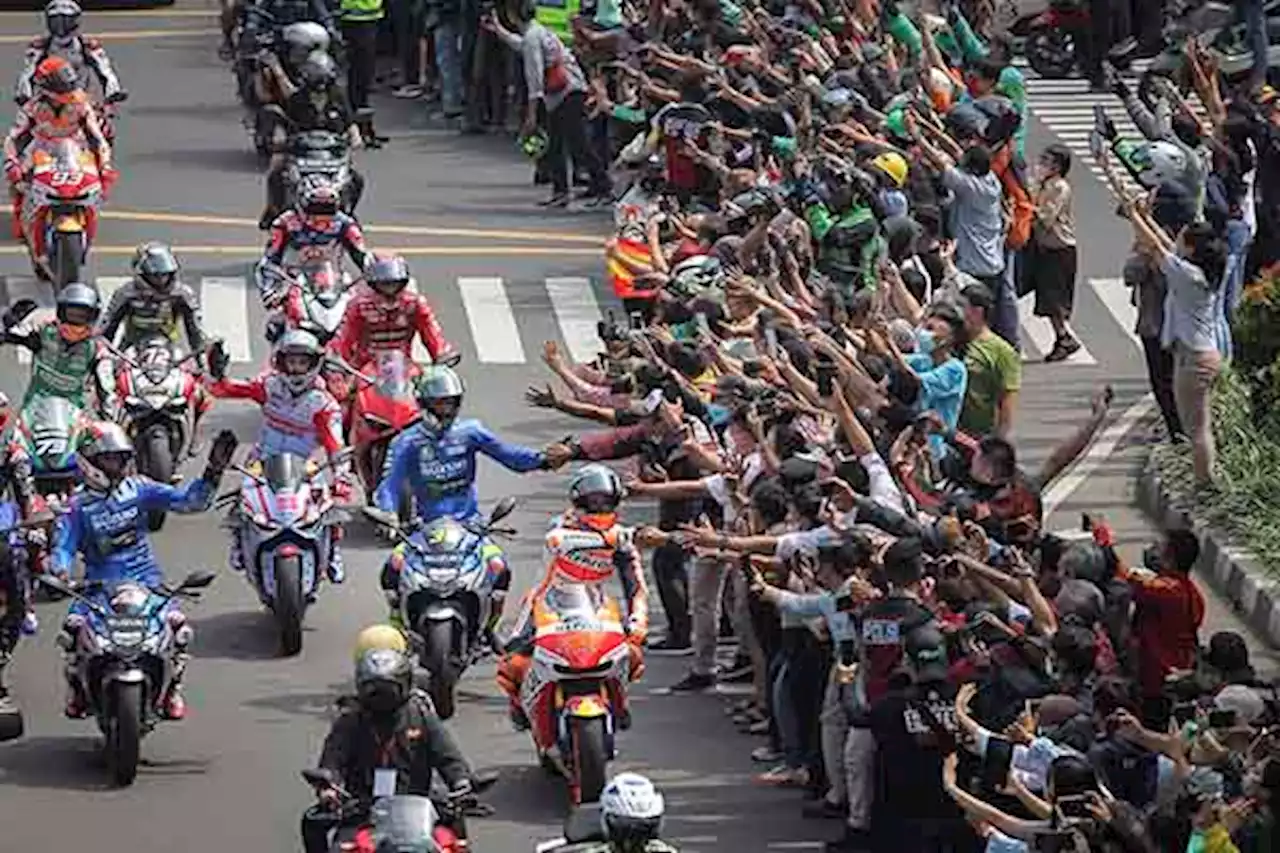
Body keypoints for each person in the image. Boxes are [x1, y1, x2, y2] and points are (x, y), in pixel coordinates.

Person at [53, 423, 238, 719]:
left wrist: (213, 473)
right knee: (73, 629)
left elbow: (191, 502)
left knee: (178, 629)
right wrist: (60, 571)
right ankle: (77, 688)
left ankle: (173, 686)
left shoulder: (139, 488)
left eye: (121, 458)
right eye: (109, 459)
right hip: (98, 586)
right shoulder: (76, 507)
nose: (117, 466)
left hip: (146, 581)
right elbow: (62, 547)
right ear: (89, 461)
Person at [373, 365, 571, 632]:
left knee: (500, 569)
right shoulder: (406, 442)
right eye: (440, 403)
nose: (447, 410)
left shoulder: (470, 431)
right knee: (392, 569)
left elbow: (509, 455)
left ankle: (489, 628)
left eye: (451, 403)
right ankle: (398, 621)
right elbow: (390, 485)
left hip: (471, 528)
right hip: (422, 530)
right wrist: (387, 514)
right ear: (424, 403)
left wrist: (543, 460)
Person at [496, 465, 653, 729]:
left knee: (633, 655)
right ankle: (519, 706)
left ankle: (619, 701)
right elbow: (540, 584)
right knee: (513, 664)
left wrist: (638, 623)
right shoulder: (558, 532)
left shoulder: (621, 539)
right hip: (550, 601)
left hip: (595, 605)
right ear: (578, 502)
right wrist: (518, 635)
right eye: (592, 502)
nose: (599, 508)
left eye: (606, 501)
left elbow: (635, 584)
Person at [205, 330, 352, 583]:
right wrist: (218, 372)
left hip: (304, 466)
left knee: (327, 507)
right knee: (243, 500)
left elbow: (335, 444)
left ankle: (333, 553)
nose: (296, 369)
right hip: (263, 459)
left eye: (302, 362)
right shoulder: (268, 385)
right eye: (291, 362)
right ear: (281, 362)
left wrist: (341, 478)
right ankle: (240, 544)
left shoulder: (325, 404)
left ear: (314, 364)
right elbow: (224, 390)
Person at [300, 640, 473, 853]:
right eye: (373, 689)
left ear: (405, 685)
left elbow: (449, 756)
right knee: (315, 824)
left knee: (454, 834)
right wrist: (329, 788)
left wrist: (461, 782)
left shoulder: (421, 717)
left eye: (388, 688)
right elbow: (332, 759)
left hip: (419, 811)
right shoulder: (350, 721)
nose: (380, 696)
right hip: (362, 811)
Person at [484, 0, 611, 207]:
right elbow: (520, 45)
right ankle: (565, 191)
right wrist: (499, 30)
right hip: (567, 91)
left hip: (566, 93)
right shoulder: (536, 32)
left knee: (576, 144)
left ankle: (602, 186)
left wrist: (532, 116)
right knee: (557, 144)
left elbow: (534, 81)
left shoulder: (534, 37)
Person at [3, 57, 115, 277]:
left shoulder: (81, 103)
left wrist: (106, 166)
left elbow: (97, 137)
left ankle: (85, 226)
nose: (68, 91)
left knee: (96, 188)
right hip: (40, 150)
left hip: (74, 150)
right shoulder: (33, 107)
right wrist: (12, 164)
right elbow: (13, 138)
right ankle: (26, 228)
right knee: (19, 186)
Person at [98, 242, 213, 444]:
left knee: (199, 393)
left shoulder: (182, 294)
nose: (161, 280)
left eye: (165, 275)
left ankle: (193, 436)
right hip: (131, 351)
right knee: (108, 390)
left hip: (170, 351)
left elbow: (196, 331)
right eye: (155, 275)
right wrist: (101, 356)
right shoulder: (125, 294)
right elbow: (107, 330)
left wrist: (203, 364)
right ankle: (112, 436)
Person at [259, 51, 366, 229]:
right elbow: (284, 123)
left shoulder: (338, 97)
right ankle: (272, 209)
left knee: (357, 179)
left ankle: (349, 211)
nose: (320, 88)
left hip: (331, 154)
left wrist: (356, 137)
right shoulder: (297, 99)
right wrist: (280, 140)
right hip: (303, 152)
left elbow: (350, 122)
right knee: (275, 173)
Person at [0, 282, 117, 416]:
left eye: (79, 326)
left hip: (72, 415)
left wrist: (109, 407)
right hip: (34, 408)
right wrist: (15, 325)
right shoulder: (42, 331)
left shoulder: (97, 350)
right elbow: (9, 331)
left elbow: (107, 387)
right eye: (68, 326)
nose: (72, 331)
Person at [255, 174, 372, 300]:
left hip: (335, 283)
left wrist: (377, 281)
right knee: (278, 319)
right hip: (293, 284)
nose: (322, 215)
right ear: (301, 204)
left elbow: (363, 256)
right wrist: (269, 290)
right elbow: (269, 261)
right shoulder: (284, 224)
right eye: (316, 208)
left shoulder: (346, 224)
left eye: (328, 209)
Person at [335, 254, 458, 373]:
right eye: (385, 283)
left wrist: (441, 353)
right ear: (373, 283)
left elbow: (431, 332)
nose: (390, 288)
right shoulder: (359, 306)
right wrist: (337, 359)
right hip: (365, 369)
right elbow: (346, 337)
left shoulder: (414, 304)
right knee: (341, 390)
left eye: (394, 283)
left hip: (404, 368)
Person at [15, 0, 125, 108]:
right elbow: (27, 73)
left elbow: (105, 71)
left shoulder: (87, 45)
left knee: (99, 124)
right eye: (56, 21)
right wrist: (24, 95)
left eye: (66, 21)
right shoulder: (39, 46)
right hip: (48, 101)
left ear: (75, 21)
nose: (61, 27)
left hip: (80, 100)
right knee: (27, 124)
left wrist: (113, 92)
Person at [1027, 144, 1081, 361]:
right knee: (1048, 298)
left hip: (1059, 249)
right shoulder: (1044, 184)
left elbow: (1046, 218)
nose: (1041, 164)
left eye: (1047, 161)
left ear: (1058, 167)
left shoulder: (1059, 187)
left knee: (1054, 299)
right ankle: (1062, 336)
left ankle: (1064, 337)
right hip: (1044, 247)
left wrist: (1027, 206)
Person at [957, 282, 1020, 440]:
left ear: (977, 312)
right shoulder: (954, 339)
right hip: (952, 430)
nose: (957, 311)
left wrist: (998, 440)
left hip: (980, 435)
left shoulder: (1002, 351)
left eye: (962, 306)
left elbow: (1007, 400)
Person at [339, 0, 385, 146]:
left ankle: (363, 128)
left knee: (362, 77)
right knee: (359, 77)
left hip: (369, 17)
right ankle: (358, 128)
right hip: (356, 18)